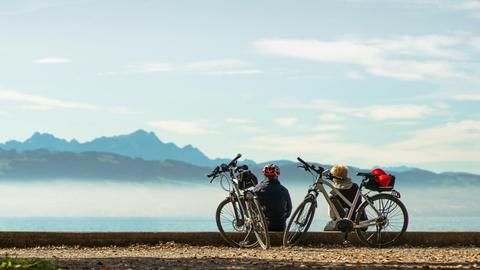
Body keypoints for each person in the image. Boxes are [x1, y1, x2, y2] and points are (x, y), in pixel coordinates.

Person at [252, 164, 292, 232]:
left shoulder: (256, 190)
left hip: (261, 229)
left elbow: (251, 210)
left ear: (264, 175)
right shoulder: (284, 190)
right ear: (276, 175)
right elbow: (288, 210)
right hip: (279, 228)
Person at [325, 164, 363, 231]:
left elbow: (332, 215)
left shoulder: (334, 193)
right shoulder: (355, 187)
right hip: (361, 223)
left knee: (328, 227)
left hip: (346, 225)